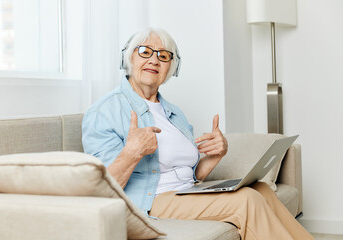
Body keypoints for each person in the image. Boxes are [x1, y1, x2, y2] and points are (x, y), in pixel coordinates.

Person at [82, 28, 314, 240]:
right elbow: (101, 190)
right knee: (246, 200)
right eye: (145, 52)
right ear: (129, 58)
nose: (154, 59)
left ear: (171, 67)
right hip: (150, 201)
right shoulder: (105, 111)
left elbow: (190, 176)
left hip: (185, 192)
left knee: (260, 189)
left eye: (164, 55)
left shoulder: (173, 112)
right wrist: (132, 153)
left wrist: (214, 157)